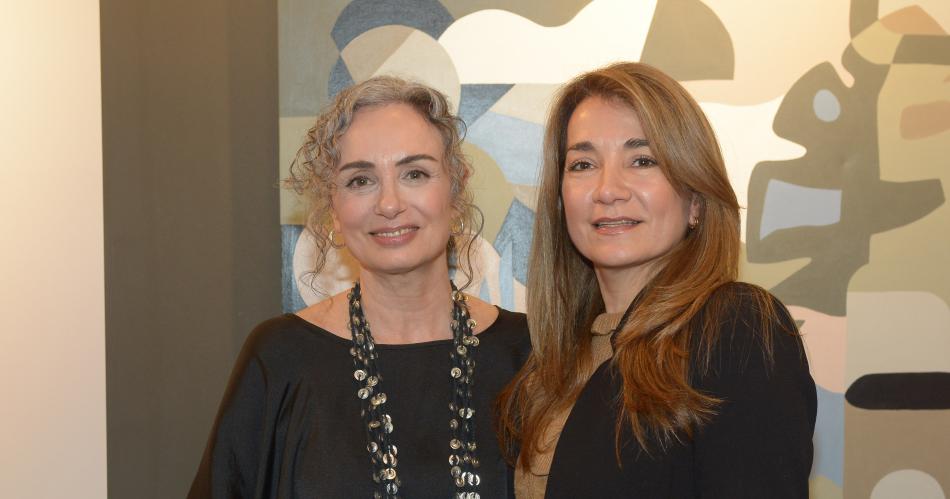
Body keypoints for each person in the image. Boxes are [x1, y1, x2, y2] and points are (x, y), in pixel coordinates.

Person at [189, 76, 530, 499]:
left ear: (455, 189)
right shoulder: (280, 358)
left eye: (415, 173)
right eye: (360, 180)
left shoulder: (529, 356)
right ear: (334, 210)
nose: (389, 204)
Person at [496, 62, 817, 498]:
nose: (608, 190)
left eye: (642, 160)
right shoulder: (547, 371)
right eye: (583, 164)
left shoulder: (734, 328)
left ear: (695, 200)